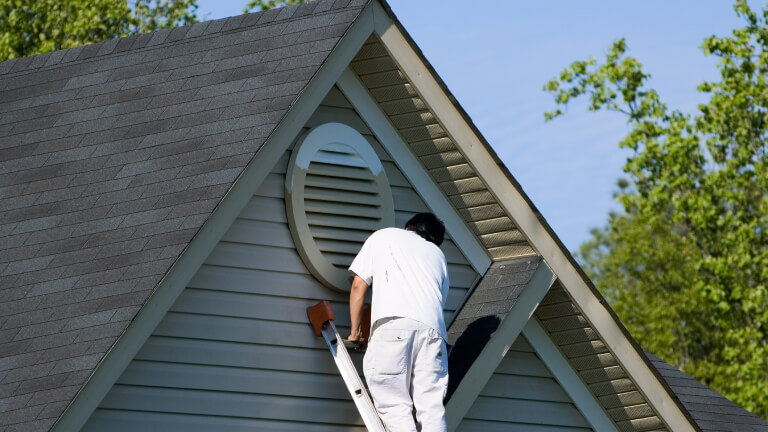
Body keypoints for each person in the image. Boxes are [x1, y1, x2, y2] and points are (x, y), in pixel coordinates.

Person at [347, 212, 450, 432]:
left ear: (408, 228)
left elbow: (358, 285)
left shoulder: (384, 236)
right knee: (431, 407)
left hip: (394, 326)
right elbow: (438, 301)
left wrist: (355, 332)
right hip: (434, 332)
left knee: (393, 401)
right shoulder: (438, 256)